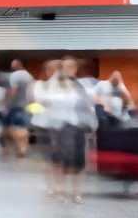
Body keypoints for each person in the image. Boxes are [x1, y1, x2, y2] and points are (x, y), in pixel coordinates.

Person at [40, 57, 97, 204]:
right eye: (65, 67)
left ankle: (76, 193)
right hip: (57, 125)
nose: (68, 69)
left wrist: (92, 121)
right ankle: (60, 189)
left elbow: (87, 105)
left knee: (77, 161)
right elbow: (45, 102)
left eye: (72, 67)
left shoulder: (78, 86)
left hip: (75, 125)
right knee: (58, 157)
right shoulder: (54, 84)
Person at [4, 59, 34, 158]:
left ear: (17, 64)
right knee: (23, 127)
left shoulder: (15, 75)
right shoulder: (29, 75)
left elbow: (13, 90)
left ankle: (20, 147)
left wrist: (7, 103)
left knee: (13, 127)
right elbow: (31, 91)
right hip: (27, 105)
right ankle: (24, 147)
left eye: (13, 64)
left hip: (16, 105)